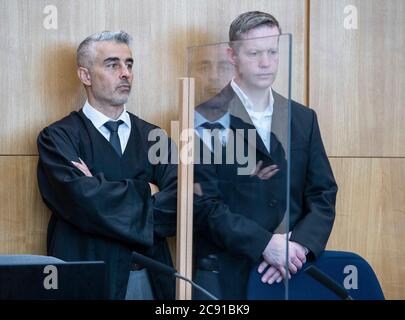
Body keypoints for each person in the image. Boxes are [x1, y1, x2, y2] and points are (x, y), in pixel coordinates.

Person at [193, 11, 338, 299]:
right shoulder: (202, 118)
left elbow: (323, 193)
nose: (266, 63)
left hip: (293, 273)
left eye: (273, 51)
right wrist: (265, 245)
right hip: (227, 275)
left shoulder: (303, 118)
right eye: (255, 52)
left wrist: (299, 248)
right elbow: (203, 204)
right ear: (232, 55)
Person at [37, 31, 177, 300]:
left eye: (129, 64)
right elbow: (82, 200)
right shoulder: (57, 137)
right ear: (85, 76)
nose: (125, 73)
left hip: (146, 278)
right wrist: (147, 190)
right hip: (86, 279)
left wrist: (101, 188)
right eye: (113, 65)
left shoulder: (154, 137)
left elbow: (180, 204)